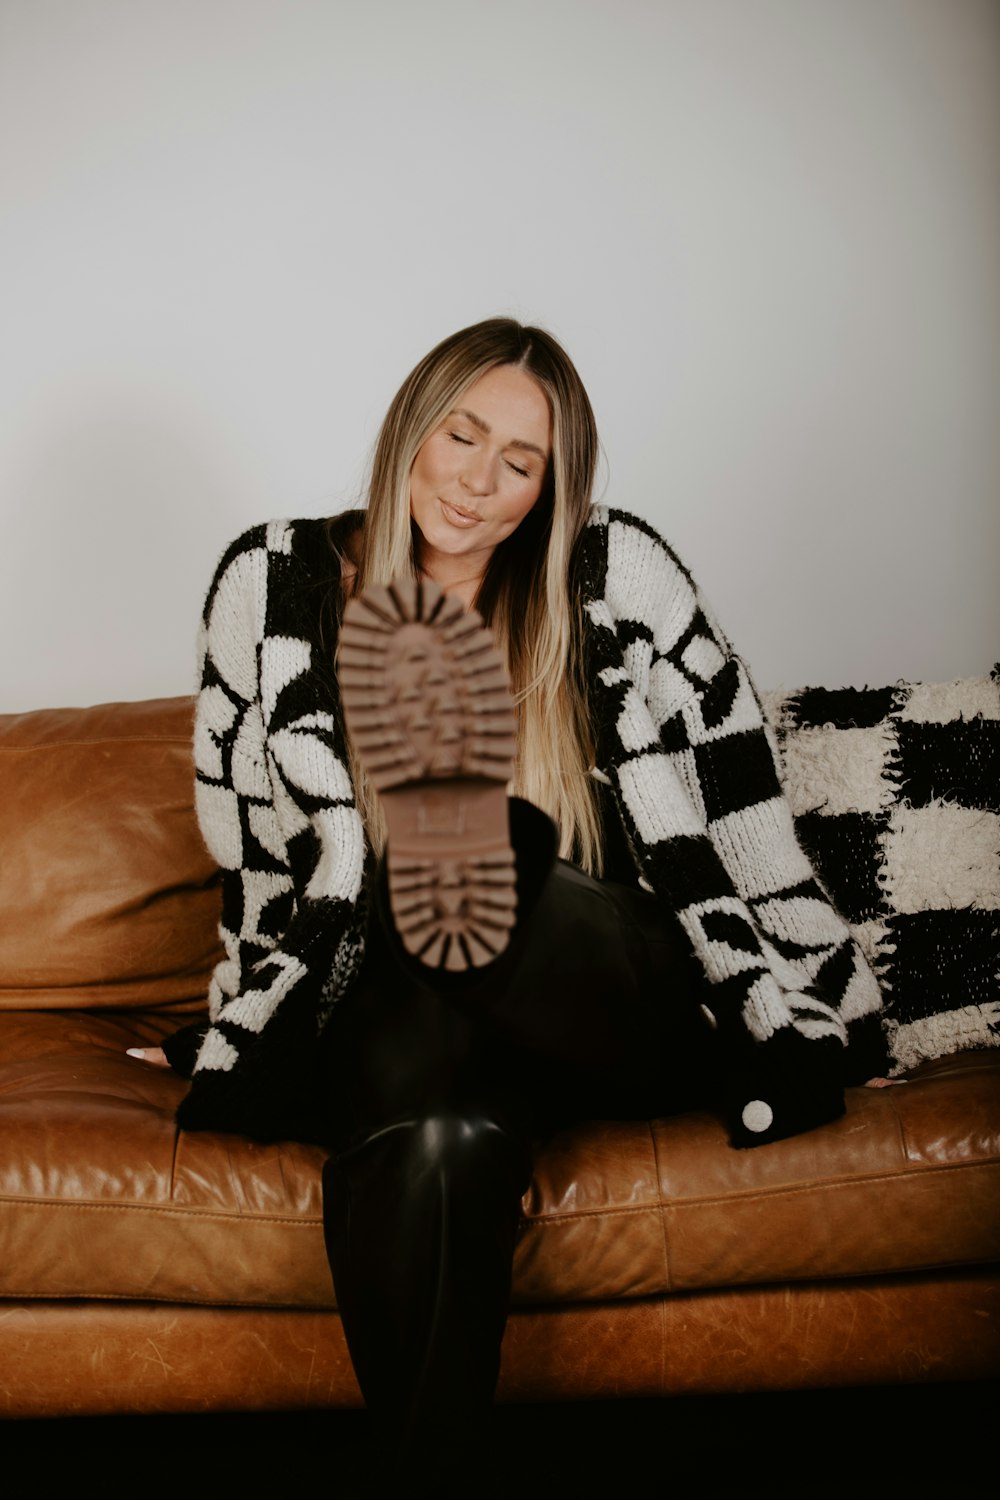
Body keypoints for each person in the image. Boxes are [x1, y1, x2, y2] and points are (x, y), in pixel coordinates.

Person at [130, 318, 888, 1494]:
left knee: (469, 877)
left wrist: (790, 982)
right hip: (406, 1007)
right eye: (460, 434)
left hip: (596, 983)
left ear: (552, 486)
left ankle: (473, 867)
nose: (479, 482)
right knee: (430, 1130)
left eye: (520, 461)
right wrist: (247, 1015)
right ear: (409, 430)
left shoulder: (612, 574)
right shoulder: (272, 585)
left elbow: (734, 785)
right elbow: (258, 860)